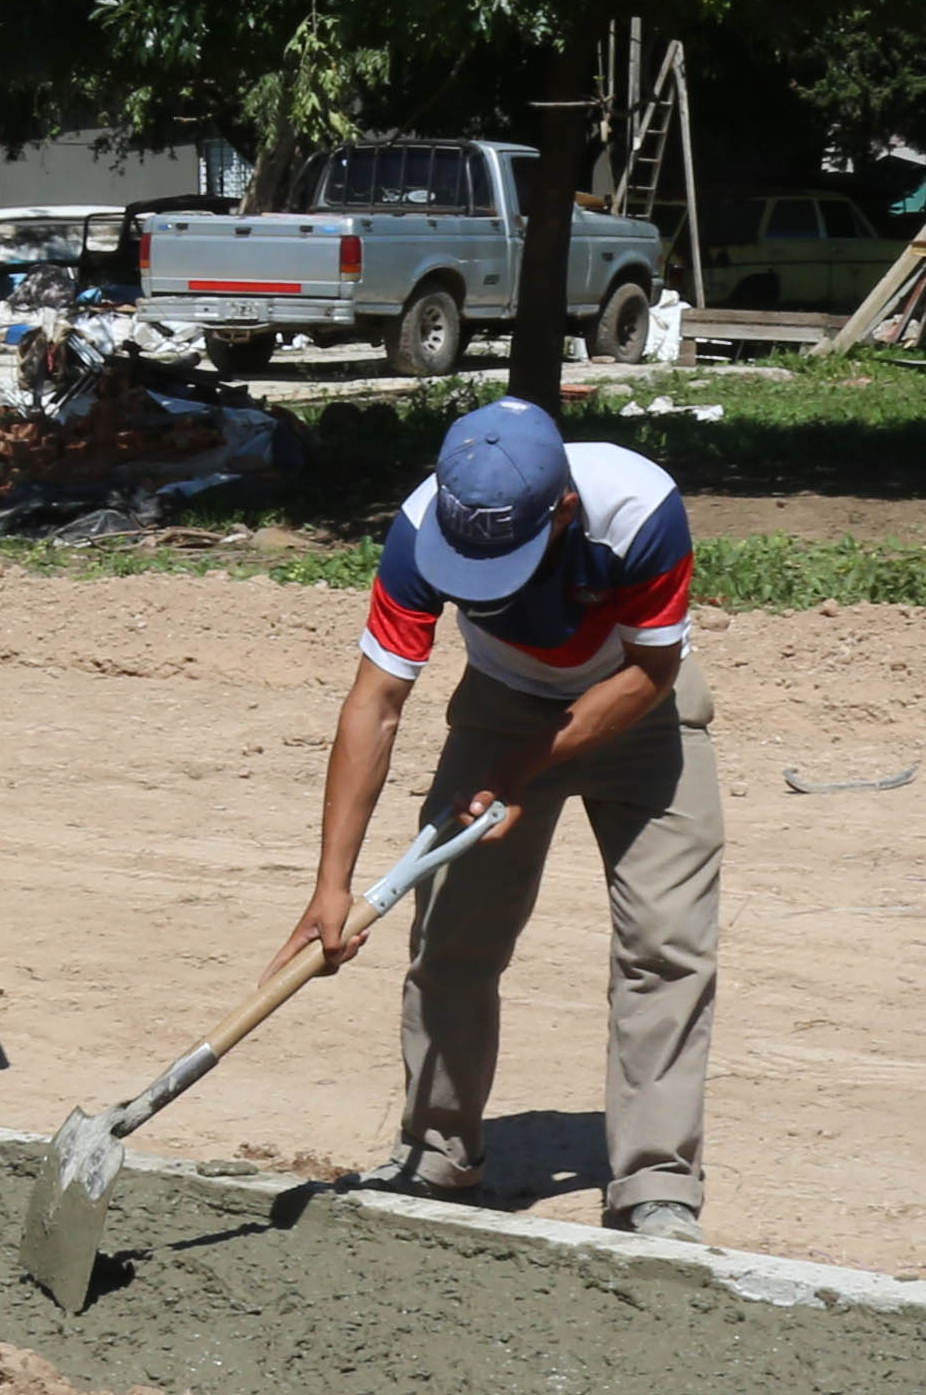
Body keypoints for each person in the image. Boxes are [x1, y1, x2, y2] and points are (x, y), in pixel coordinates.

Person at [277, 398, 719, 1237]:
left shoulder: (638, 507)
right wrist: (329, 885)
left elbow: (653, 671)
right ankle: (438, 1154)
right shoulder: (418, 526)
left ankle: (656, 1185)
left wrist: (522, 772)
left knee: (667, 942)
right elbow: (376, 703)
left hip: (639, 703)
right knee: (451, 937)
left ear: (561, 511)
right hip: (502, 704)